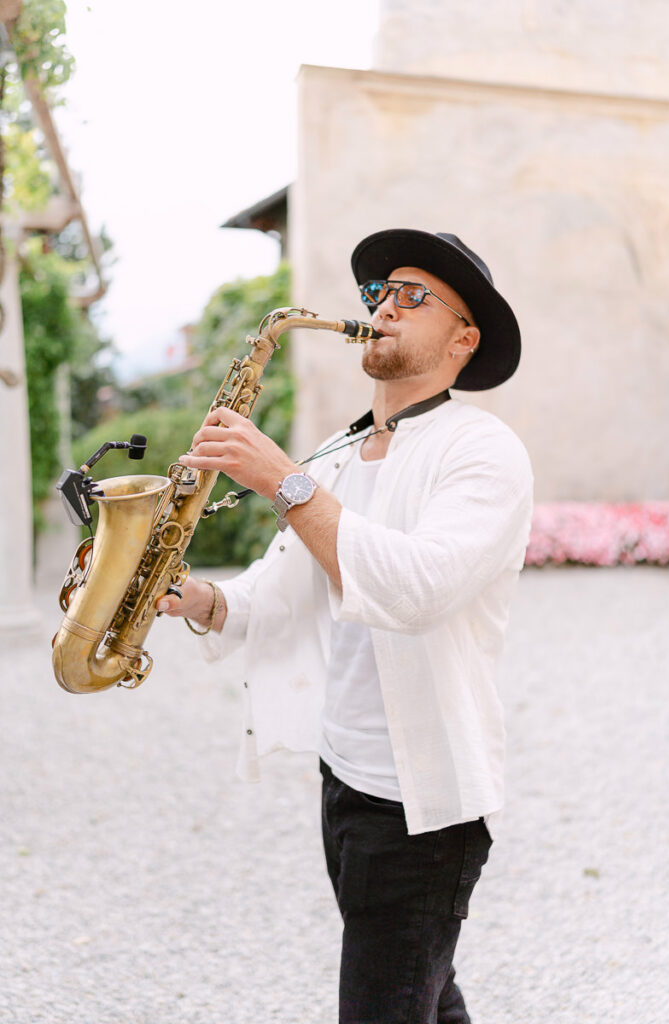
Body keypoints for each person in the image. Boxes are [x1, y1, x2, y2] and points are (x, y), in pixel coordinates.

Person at [157, 229, 533, 1024]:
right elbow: (283, 586)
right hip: (345, 780)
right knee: (423, 988)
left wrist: (279, 478)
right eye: (377, 294)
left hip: (423, 808)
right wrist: (197, 598)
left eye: (411, 295)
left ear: (464, 338)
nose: (382, 306)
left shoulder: (483, 451)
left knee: (389, 1000)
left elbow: (416, 588)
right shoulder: (339, 447)